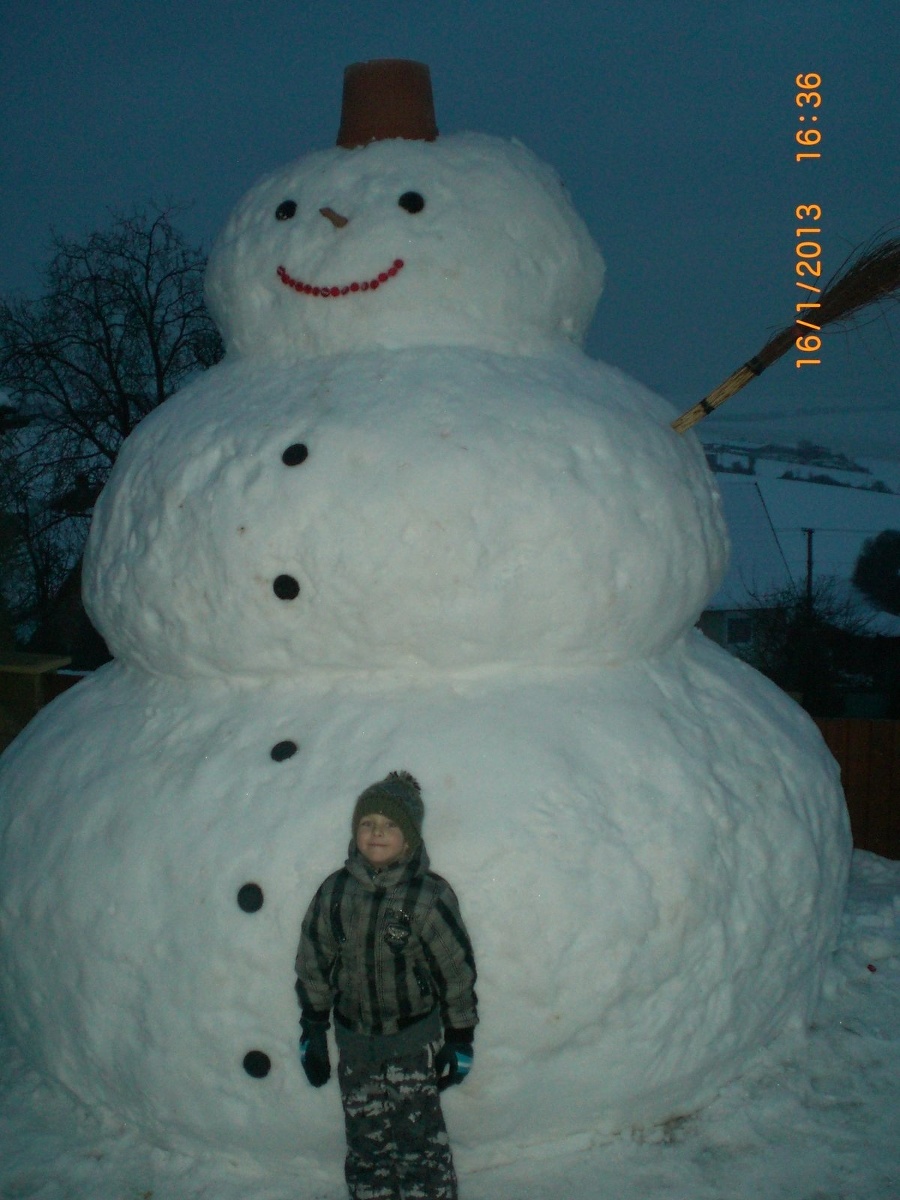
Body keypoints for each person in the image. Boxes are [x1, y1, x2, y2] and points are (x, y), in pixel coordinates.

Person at [295, 770, 478, 1200]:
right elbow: (313, 961)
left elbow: (454, 970)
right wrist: (313, 1029)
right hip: (355, 1046)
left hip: (412, 1046)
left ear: (410, 838)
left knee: (420, 1145)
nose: (377, 833)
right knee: (366, 1145)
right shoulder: (335, 892)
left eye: (390, 825)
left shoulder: (429, 897)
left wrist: (460, 1035)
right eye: (367, 823)